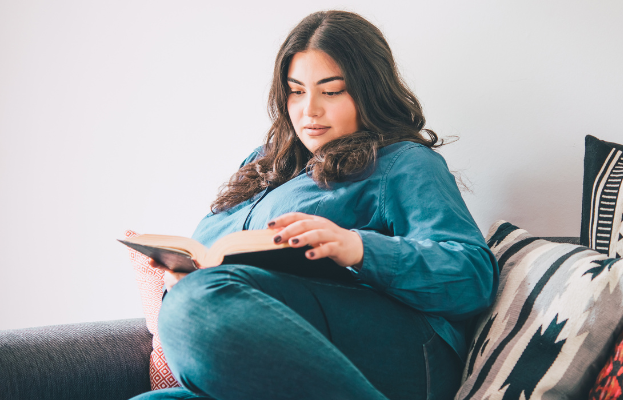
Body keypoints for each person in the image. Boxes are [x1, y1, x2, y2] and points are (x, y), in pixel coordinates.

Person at [132, 10, 498, 400]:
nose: (310, 110)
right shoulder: (263, 163)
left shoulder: (403, 163)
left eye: (331, 91)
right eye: (296, 91)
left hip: (397, 355)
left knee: (199, 302)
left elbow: (474, 276)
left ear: (369, 90)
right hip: (275, 353)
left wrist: (358, 248)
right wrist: (181, 277)